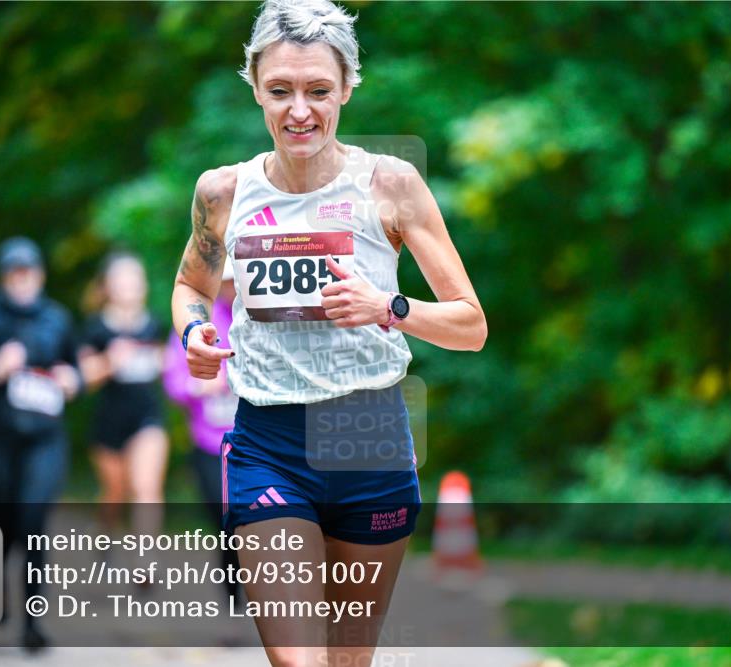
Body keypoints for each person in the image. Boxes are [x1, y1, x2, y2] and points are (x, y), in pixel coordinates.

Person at [171, 1, 487, 664]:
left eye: (318, 90)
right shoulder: (223, 192)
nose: (299, 111)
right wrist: (195, 332)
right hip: (269, 441)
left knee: (348, 658)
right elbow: (192, 287)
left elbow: (470, 324)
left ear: (346, 87)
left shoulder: (390, 185)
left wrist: (386, 306)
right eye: (280, 90)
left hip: (368, 437)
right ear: (255, 87)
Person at [0, 236, 80, 651]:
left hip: (45, 440)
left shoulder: (58, 319)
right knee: (6, 523)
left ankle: (32, 623)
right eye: (14, 274)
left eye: (28, 273)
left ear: (40, 276)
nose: (22, 281)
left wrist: (72, 380)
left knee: (33, 522)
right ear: (3, 279)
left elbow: (77, 369)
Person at [163, 259, 241, 606]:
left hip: (254, 440)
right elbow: (173, 383)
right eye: (226, 282)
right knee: (225, 521)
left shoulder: (263, 318)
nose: (232, 288)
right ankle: (232, 594)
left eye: (236, 281)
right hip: (210, 443)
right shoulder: (198, 322)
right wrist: (203, 386)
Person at [79, 252, 169, 543]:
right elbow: (83, 379)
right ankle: (103, 532)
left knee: (146, 487)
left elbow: (169, 367)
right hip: (109, 422)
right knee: (115, 493)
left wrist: (166, 364)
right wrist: (109, 362)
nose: (130, 283)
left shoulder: (155, 325)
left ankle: (145, 557)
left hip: (147, 417)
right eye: (122, 277)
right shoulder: (95, 328)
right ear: (107, 286)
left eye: (135, 277)